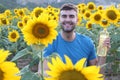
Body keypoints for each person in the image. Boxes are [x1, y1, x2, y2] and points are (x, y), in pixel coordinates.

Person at [38, 3, 110, 75]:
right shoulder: (50, 42)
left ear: (77, 20)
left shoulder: (87, 43)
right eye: (64, 16)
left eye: (71, 16)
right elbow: (42, 71)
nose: (68, 19)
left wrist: (103, 54)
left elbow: (97, 74)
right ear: (59, 19)